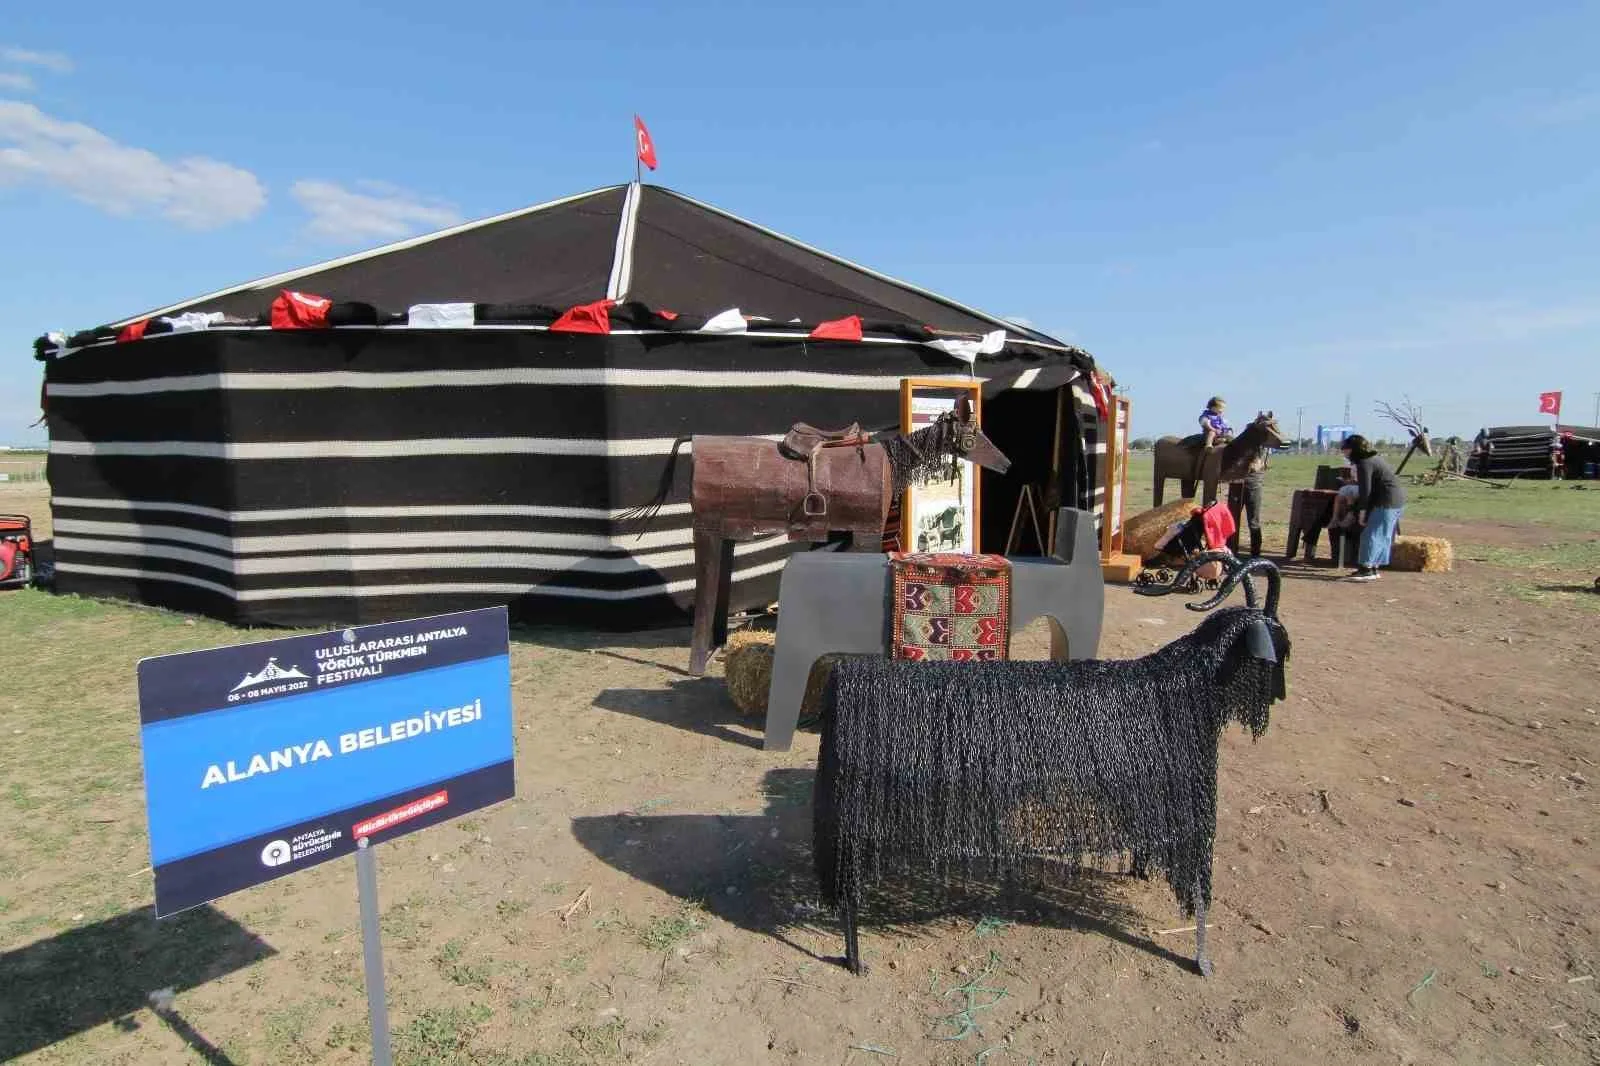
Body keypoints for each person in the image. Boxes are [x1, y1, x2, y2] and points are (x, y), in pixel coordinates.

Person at [1339, 434, 1405, 582]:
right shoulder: (1374, 460)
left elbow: (1365, 490)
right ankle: (1373, 568)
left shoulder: (1364, 463)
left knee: (1371, 534)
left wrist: (1362, 511)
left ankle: (1366, 569)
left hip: (1386, 501)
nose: (1344, 453)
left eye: (1345, 450)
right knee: (1382, 535)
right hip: (1394, 501)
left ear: (1352, 450)